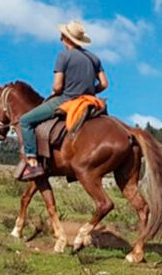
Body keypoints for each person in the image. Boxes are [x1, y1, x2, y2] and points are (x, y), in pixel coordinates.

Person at [17, 20, 109, 181]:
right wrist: (89, 90)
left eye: (62, 36)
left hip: (67, 100)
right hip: (90, 101)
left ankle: (32, 162)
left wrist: (58, 91)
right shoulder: (94, 58)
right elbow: (104, 84)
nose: (61, 39)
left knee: (25, 120)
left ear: (67, 39)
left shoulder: (63, 56)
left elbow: (58, 87)